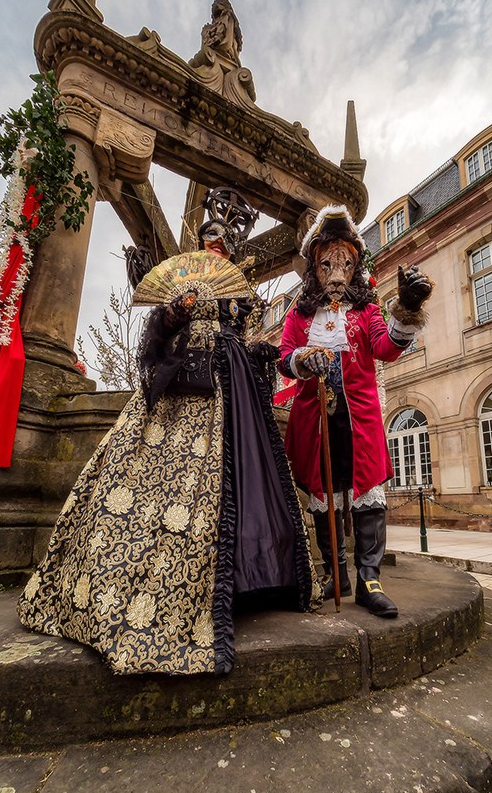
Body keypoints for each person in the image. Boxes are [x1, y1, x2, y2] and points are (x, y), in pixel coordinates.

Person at [17, 193, 321, 676]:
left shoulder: (239, 293)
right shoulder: (178, 288)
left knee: (249, 477)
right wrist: (175, 312)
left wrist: (263, 355)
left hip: (232, 386)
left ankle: (257, 579)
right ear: (198, 245)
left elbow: (245, 340)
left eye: (223, 240)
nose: (215, 245)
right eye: (209, 238)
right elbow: (154, 340)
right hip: (183, 387)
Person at [279, 205, 433, 618]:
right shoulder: (299, 313)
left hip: (358, 416)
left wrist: (407, 307)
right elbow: (284, 356)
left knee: (366, 495)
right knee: (323, 495)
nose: (335, 274)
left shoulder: (366, 310)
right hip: (315, 419)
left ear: (354, 267)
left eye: (344, 265)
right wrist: (301, 362)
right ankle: (336, 574)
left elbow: (386, 348)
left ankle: (369, 579)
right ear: (315, 266)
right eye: (327, 264)